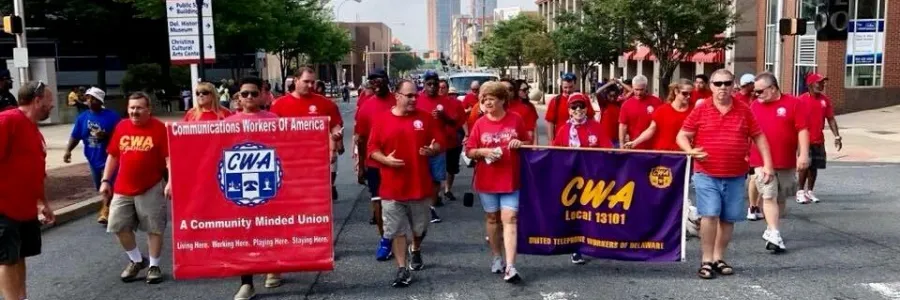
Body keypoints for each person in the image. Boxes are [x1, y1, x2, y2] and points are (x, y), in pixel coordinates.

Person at [676, 69, 774, 279]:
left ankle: (719, 258)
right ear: (711, 85)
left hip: (735, 174)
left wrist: (768, 165)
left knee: (728, 219)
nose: (722, 88)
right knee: (710, 214)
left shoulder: (744, 110)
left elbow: (759, 137)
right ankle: (707, 260)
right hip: (706, 173)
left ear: (733, 85)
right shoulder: (701, 109)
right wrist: (690, 150)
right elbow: (682, 135)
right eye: (718, 83)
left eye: (727, 83)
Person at [270, 68, 344, 285]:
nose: (310, 86)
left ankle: (320, 247)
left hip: (316, 166)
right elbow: (270, 131)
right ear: (295, 81)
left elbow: (336, 124)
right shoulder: (280, 105)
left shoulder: (324, 103)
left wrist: (336, 135)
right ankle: (282, 257)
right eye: (306, 82)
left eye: (313, 82)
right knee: (286, 211)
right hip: (287, 166)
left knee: (318, 208)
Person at [367, 80, 443, 287]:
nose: (413, 99)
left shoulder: (425, 118)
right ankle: (402, 269)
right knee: (398, 230)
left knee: (419, 229)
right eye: (409, 96)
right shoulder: (382, 120)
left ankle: (416, 249)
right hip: (392, 188)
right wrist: (386, 160)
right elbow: (372, 148)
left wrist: (432, 150)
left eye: (415, 96)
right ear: (397, 96)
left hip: (419, 186)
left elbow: (438, 142)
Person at [100, 92, 171, 284]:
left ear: (148, 109)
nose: (134, 111)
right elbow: (113, 155)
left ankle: (154, 265)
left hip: (151, 186)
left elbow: (168, 158)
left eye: (139, 108)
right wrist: (106, 180)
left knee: (154, 227)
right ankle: (137, 260)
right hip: (122, 187)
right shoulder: (122, 126)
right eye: (132, 108)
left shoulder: (159, 128)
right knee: (117, 225)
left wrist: (170, 181)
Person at [465, 81, 530, 283]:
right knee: (493, 219)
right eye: (484, 99)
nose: (487, 102)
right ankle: (496, 257)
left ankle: (510, 266)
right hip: (487, 179)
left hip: (511, 178)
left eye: (492, 98)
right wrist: (483, 151)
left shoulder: (515, 119)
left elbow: (528, 141)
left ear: (503, 100)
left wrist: (520, 143)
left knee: (510, 219)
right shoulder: (479, 123)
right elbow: (469, 151)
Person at [0, 80, 57, 300]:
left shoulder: (35, 131)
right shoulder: (8, 121)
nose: (52, 105)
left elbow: (37, 172)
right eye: (50, 100)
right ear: (37, 100)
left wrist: (44, 203)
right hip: (4, 207)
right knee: (7, 259)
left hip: (25, 208)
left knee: (20, 255)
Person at [225, 77, 278, 300]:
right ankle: (246, 282)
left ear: (262, 96)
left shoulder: (274, 120)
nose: (249, 98)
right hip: (239, 187)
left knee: (270, 228)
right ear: (237, 97)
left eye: (254, 93)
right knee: (243, 233)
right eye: (244, 94)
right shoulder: (228, 123)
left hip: (269, 183)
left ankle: (272, 267)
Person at [750, 72, 810, 253]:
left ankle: (770, 227)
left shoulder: (793, 103)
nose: (757, 95)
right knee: (768, 195)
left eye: (760, 91)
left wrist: (804, 154)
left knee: (781, 196)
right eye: (755, 92)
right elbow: (749, 132)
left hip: (786, 159)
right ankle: (775, 233)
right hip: (760, 160)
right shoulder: (754, 106)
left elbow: (802, 130)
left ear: (773, 88)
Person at [551, 92, 612, 264]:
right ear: (569, 110)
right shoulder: (563, 130)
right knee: (574, 214)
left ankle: (594, 243)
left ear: (587, 108)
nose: (578, 110)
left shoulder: (596, 127)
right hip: (570, 179)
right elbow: (555, 153)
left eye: (581, 106)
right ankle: (576, 248)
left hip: (592, 179)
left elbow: (607, 149)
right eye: (574, 107)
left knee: (591, 213)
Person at [355, 70, 398, 261]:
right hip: (374, 163)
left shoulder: (398, 101)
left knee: (400, 202)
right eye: (371, 80)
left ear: (387, 80)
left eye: (379, 78)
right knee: (378, 203)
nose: (375, 83)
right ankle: (385, 239)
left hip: (399, 162)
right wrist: (362, 166)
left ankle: (404, 238)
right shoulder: (365, 107)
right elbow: (361, 139)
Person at [63, 87, 121, 224]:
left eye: (93, 98)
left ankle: (105, 210)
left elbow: (122, 136)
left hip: (110, 157)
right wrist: (68, 151)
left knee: (107, 182)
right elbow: (75, 135)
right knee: (99, 185)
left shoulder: (112, 116)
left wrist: (106, 135)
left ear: (100, 101)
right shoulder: (82, 118)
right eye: (88, 97)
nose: (89, 100)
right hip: (92, 157)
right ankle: (112, 204)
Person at [416, 71, 457, 223]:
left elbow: (454, 122)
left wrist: (443, 116)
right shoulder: (417, 99)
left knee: (436, 179)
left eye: (435, 84)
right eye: (429, 84)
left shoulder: (444, 101)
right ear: (424, 85)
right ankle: (420, 207)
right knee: (420, 178)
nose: (432, 87)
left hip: (439, 146)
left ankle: (431, 208)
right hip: (419, 146)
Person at [797, 73, 841, 204]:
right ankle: (800, 192)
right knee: (804, 166)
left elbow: (831, 119)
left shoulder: (824, 100)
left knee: (814, 167)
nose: (822, 85)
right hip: (804, 139)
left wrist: (837, 136)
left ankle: (809, 191)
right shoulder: (801, 100)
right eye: (819, 82)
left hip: (818, 138)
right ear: (810, 85)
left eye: (823, 82)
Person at [624, 79, 693, 151]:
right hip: (663, 152)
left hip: (684, 153)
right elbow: (651, 129)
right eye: (685, 93)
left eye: (690, 94)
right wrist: (635, 142)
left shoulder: (694, 110)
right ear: (676, 91)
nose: (688, 96)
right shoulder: (662, 110)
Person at [438, 81, 467, 202]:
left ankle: (447, 189)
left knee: (452, 168)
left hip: (454, 141)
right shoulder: (433, 103)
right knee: (438, 168)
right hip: (438, 143)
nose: (441, 90)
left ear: (448, 90)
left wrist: (467, 134)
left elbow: (462, 120)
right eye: (439, 88)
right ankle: (437, 192)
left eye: (443, 88)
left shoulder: (456, 103)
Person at [545, 73, 595, 142]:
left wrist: (594, 137)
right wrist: (551, 142)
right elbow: (550, 123)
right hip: (562, 142)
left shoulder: (584, 99)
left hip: (582, 141)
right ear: (561, 86)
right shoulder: (555, 101)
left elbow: (591, 119)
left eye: (570, 87)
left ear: (575, 85)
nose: (568, 90)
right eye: (565, 87)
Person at [618, 75, 664, 149]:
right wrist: (621, 145)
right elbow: (623, 126)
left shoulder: (656, 102)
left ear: (646, 87)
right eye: (636, 89)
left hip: (654, 147)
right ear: (632, 87)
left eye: (641, 90)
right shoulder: (626, 104)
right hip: (634, 146)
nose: (639, 93)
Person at [509, 80, 539, 145]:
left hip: (525, 144)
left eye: (528, 89)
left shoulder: (530, 106)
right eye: (524, 89)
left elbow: (534, 128)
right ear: (516, 90)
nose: (527, 91)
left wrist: (535, 146)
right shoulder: (505, 106)